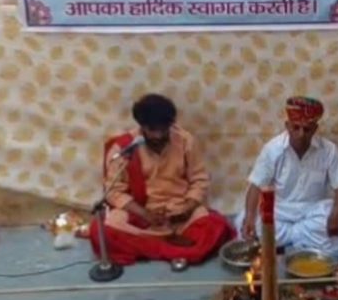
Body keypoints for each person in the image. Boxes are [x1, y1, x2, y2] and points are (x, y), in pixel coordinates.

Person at [88, 93, 233, 265]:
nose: (158, 136)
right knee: (100, 231)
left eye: (163, 129)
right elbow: (114, 192)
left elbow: (199, 179)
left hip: (181, 213)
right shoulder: (125, 148)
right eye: (152, 130)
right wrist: (145, 214)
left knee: (216, 226)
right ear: (142, 126)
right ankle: (176, 249)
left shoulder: (185, 141)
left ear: (170, 124)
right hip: (141, 215)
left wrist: (187, 208)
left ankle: (151, 248)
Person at [237, 96, 338, 258]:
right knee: (243, 219)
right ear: (287, 126)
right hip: (279, 212)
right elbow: (255, 186)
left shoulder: (329, 150)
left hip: (312, 212)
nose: (301, 134)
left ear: (315, 129)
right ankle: (303, 241)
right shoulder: (273, 149)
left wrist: (335, 214)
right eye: (296, 128)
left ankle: (284, 240)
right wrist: (250, 218)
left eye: (307, 129)